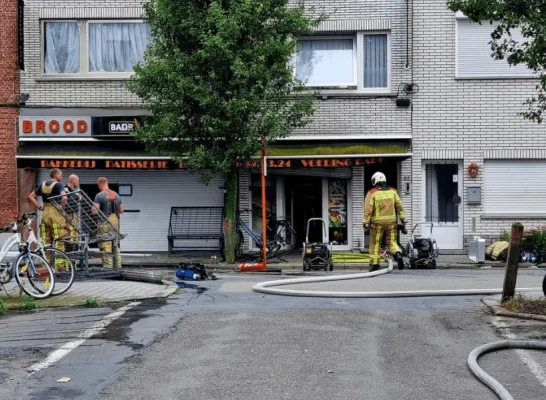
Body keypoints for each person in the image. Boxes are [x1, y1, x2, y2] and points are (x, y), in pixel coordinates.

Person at [363, 171, 406, 272]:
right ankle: (398, 255)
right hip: (391, 222)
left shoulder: (372, 193)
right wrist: (403, 219)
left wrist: (365, 223)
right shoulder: (393, 191)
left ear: (375, 180)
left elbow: (368, 209)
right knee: (391, 242)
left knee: (375, 243)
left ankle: (375, 264)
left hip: (377, 223)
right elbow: (399, 206)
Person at [27, 168, 68, 269]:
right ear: (56, 175)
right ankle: (59, 267)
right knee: (59, 239)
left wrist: (39, 207)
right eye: (61, 175)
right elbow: (65, 197)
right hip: (55, 213)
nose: (61, 178)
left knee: (46, 241)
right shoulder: (59, 185)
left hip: (45, 213)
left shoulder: (43, 184)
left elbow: (30, 196)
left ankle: (46, 268)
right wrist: (62, 208)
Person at [92, 177, 124, 268]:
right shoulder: (116, 195)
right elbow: (122, 210)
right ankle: (118, 265)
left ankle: (108, 267)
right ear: (107, 183)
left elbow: (95, 210)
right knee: (115, 245)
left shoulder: (99, 195)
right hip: (115, 223)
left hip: (104, 223)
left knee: (105, 245)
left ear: (99, 185)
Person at [64, 174, 81, 252]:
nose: (78, 183)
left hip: (74, 218)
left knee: (75, 238)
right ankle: (69, 258)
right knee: (69, 238)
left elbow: (79, 197)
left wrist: (76, 196)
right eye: (77, 181)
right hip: (69, 217)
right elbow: (68, 200)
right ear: (73, 181)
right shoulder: (65, 189)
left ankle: (73, 260)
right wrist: (77, 196)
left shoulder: (72, 191)